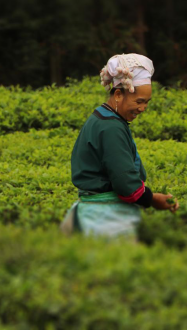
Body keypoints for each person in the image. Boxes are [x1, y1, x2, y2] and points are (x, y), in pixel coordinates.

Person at [60, 53, 179, 239]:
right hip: (105, 218)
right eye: (139, 101)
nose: (143, 108)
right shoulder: (111, 127)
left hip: (94, 212)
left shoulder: (102, 117)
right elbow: (125, 183)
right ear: (117, 94)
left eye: (147, 102)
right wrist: (153, 199)